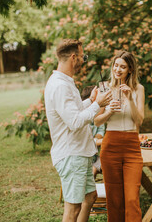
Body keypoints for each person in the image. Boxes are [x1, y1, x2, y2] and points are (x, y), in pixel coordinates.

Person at [44, 39, 112, 222]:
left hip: (80, 152)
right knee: (73, 208)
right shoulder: (59, 86)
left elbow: (72, 112)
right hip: (71, 154)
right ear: (74, 57)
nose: (84, 60)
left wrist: (90, 100)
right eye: (83, 57)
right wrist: (98, 105)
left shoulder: (64, 82)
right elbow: (74, 122)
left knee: (90, 198)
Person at [94, 50, 145, 222]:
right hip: (110, 146)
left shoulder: (139, 89)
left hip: (132, 146)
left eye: (123, 67)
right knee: (114, 198)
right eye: (116, 65)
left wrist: (129, 99)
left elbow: (139, 121)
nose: (118, 69)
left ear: (130, 69)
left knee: (132, 197)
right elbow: (97, 121)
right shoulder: (104, 88)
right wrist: (109, 112)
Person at [81, 85, 106, 179]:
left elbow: (99, 136)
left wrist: (97, 140)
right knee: (93, 170)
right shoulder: (83, 119)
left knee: (111, 165)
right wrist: (99, 140)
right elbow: (88, 141)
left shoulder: (99, 120)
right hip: (83, 158)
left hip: (95, 158)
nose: (103, 108)